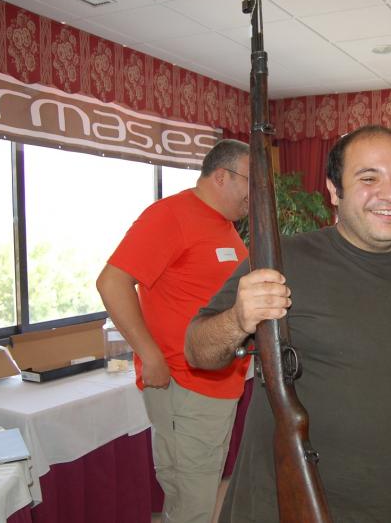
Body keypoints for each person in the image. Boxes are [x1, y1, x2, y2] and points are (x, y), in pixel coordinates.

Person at [184, 125, 391, 522]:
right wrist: (237, 318)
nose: (390, 193)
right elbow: (197, 351)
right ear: (334, 191)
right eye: (368, 178)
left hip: (390, 507)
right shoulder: (283, 260)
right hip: (276, 507)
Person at [96, 139, 251, 523]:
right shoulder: (171, 216)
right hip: (185, 384)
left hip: (217, 383)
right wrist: (149, 355)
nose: (257, 193)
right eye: (252, 181)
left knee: (194, 496)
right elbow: (112, 282)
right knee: (193, 501)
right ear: (222, 176)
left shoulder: (225, 227)